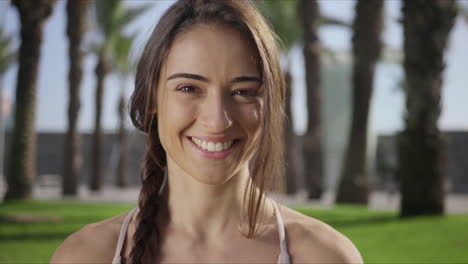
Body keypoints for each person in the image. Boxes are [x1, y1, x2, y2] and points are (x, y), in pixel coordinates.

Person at [51, 0, 363, 263]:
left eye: (243, 91)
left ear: (269, 105)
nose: (217, 121)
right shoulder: (86, 255)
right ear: (151, 99)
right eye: (189, 88)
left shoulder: (325, 256)